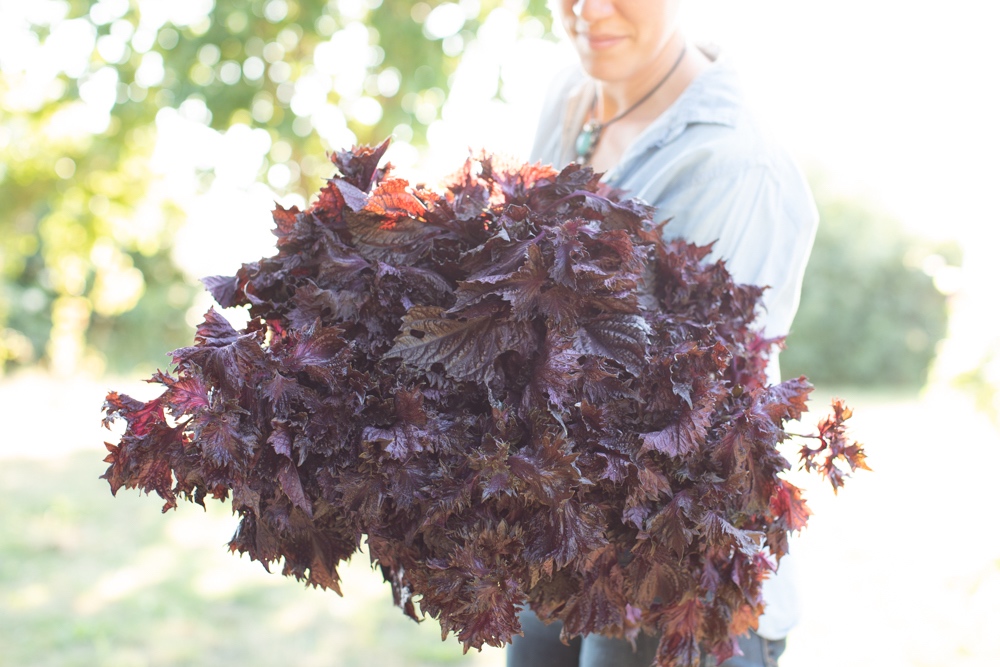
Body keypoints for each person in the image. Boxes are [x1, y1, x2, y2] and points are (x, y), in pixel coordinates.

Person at [507, 1, 818, 666]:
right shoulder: (569, 93)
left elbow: (672, 418)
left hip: (675, 574)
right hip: (561, 540)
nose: (586, 10)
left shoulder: (733, 163)